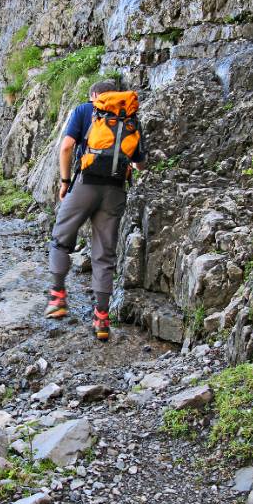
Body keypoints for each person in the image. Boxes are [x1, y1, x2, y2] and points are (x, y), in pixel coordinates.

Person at [45, 79, 147, 340]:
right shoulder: (130, 117)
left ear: (94, 95)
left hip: (85, 185)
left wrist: (65, 181)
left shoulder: (84, 110)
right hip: (115, 190)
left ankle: (57, 298)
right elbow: (139, 163)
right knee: (104, 253)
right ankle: (102, 319)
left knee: (61, 237)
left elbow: (67, 146)